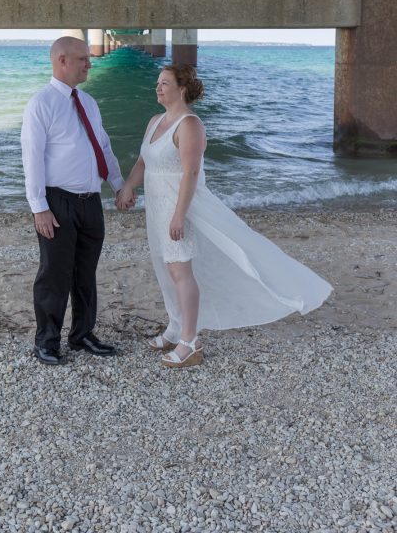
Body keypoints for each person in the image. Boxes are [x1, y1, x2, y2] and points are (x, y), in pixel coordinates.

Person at [116, 64, 333, 370]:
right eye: (157, 83)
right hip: (156, 205)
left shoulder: (189, 124)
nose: (158, 87)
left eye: (164, 83)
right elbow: (143, 160)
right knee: (166, 268)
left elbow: (190, 173)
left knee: (181, 272)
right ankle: (175, 327)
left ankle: (189, 342)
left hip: (179, 207)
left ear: (181, 89)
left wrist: (179, 215)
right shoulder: (155, 121)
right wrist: (127, 186)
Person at [21, 36, 127, 365]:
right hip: (57, 202)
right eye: (83, 59)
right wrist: (38, 206)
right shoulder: (41, 103)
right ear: (62, 60)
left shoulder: (89, 102)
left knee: (85, 272)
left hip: (90, 201)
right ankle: (47, 341)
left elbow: (103, 146)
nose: (89, 64)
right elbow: (32, 158)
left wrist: (119, 184)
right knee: (54, 273)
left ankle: (82, 335)